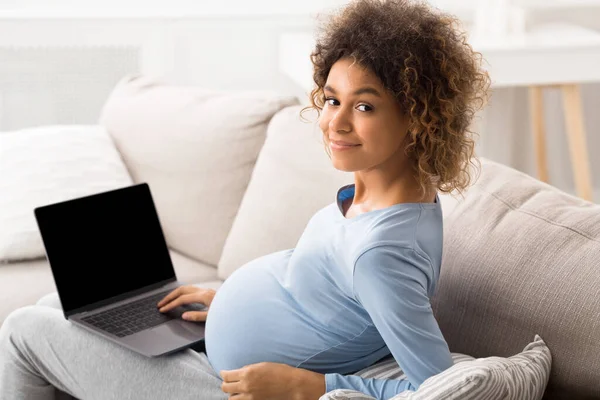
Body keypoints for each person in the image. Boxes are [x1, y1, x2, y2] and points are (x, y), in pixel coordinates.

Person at [0, 0, 490, 399]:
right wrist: (227, 300)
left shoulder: (381, 253)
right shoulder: (379, 195)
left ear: (419, 118)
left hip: (228, 390)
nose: (334, 122)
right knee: (60, 305)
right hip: (212, 344)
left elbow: (438, 387)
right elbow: (325, 294)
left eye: (364, 105)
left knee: (22, 328)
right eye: (333, 98)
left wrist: (313, 386)